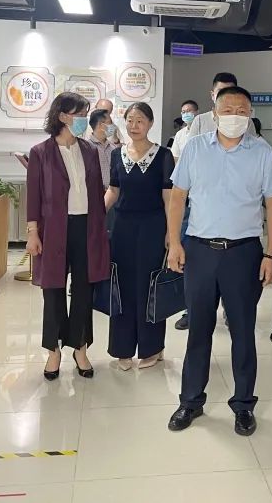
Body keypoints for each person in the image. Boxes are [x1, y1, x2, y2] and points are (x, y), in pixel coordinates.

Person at [166, 85, 272, 437]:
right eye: (228, 109)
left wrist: (271, 253)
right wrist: (175, 243)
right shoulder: (195, 148)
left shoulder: (262, 152)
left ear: (250, 115)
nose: (235, 116)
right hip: (200, 250)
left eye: (242, 110)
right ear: (215, 113)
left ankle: (244, 404)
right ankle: (190, 401)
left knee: (243, 331)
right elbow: (178, 197)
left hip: (243, 254)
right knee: (198, 330)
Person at [26, 92, 110, 381]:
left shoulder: (89, 150)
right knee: (53, 289)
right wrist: (33, 232)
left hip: (86, 227)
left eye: (85, 114)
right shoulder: (40, 152)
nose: (84, 120)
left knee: (84, 290)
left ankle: (80, 347)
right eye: (80, 115)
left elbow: (97, 193)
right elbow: (34, 197)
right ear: (62, 116)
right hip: (53, 230)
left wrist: (101, 229)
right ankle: (53, 350)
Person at [176, 74, 256, 332]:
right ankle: (192, 311)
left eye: (240, 109)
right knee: (199, 291)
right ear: (213, 98)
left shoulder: (251, 132)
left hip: (237, 219)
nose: (234, 114)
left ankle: (231, 310)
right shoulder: (200, 124)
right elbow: (183, 179)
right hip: (202, 205)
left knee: (236, 294)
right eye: (222, 95)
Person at [105, 103, 175, 370]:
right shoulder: (117, 154)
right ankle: (122, 348)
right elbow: (113, 191)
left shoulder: (163, 155)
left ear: (150, 123)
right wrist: (95, 215)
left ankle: (152, 347)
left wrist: (171, 232)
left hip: (152, 227)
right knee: (121, 286)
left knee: (150, 286)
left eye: (140, 121)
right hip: (122, 227)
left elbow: (168, 197)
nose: (134, 126)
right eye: (130, 120)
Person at [186, 72, 259, 139]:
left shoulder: (245, 121)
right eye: (221, 92)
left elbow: (253, 145)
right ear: (212, 95)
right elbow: (192, 146)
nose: (225, 96)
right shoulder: (200, 120)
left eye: (229, 91)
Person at [86, 109, 117, 190]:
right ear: (101, 125)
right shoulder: (86, 148)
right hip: (94, 194)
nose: (113, 125)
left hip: (114, 194)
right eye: (110, 122)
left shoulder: (113, 148)